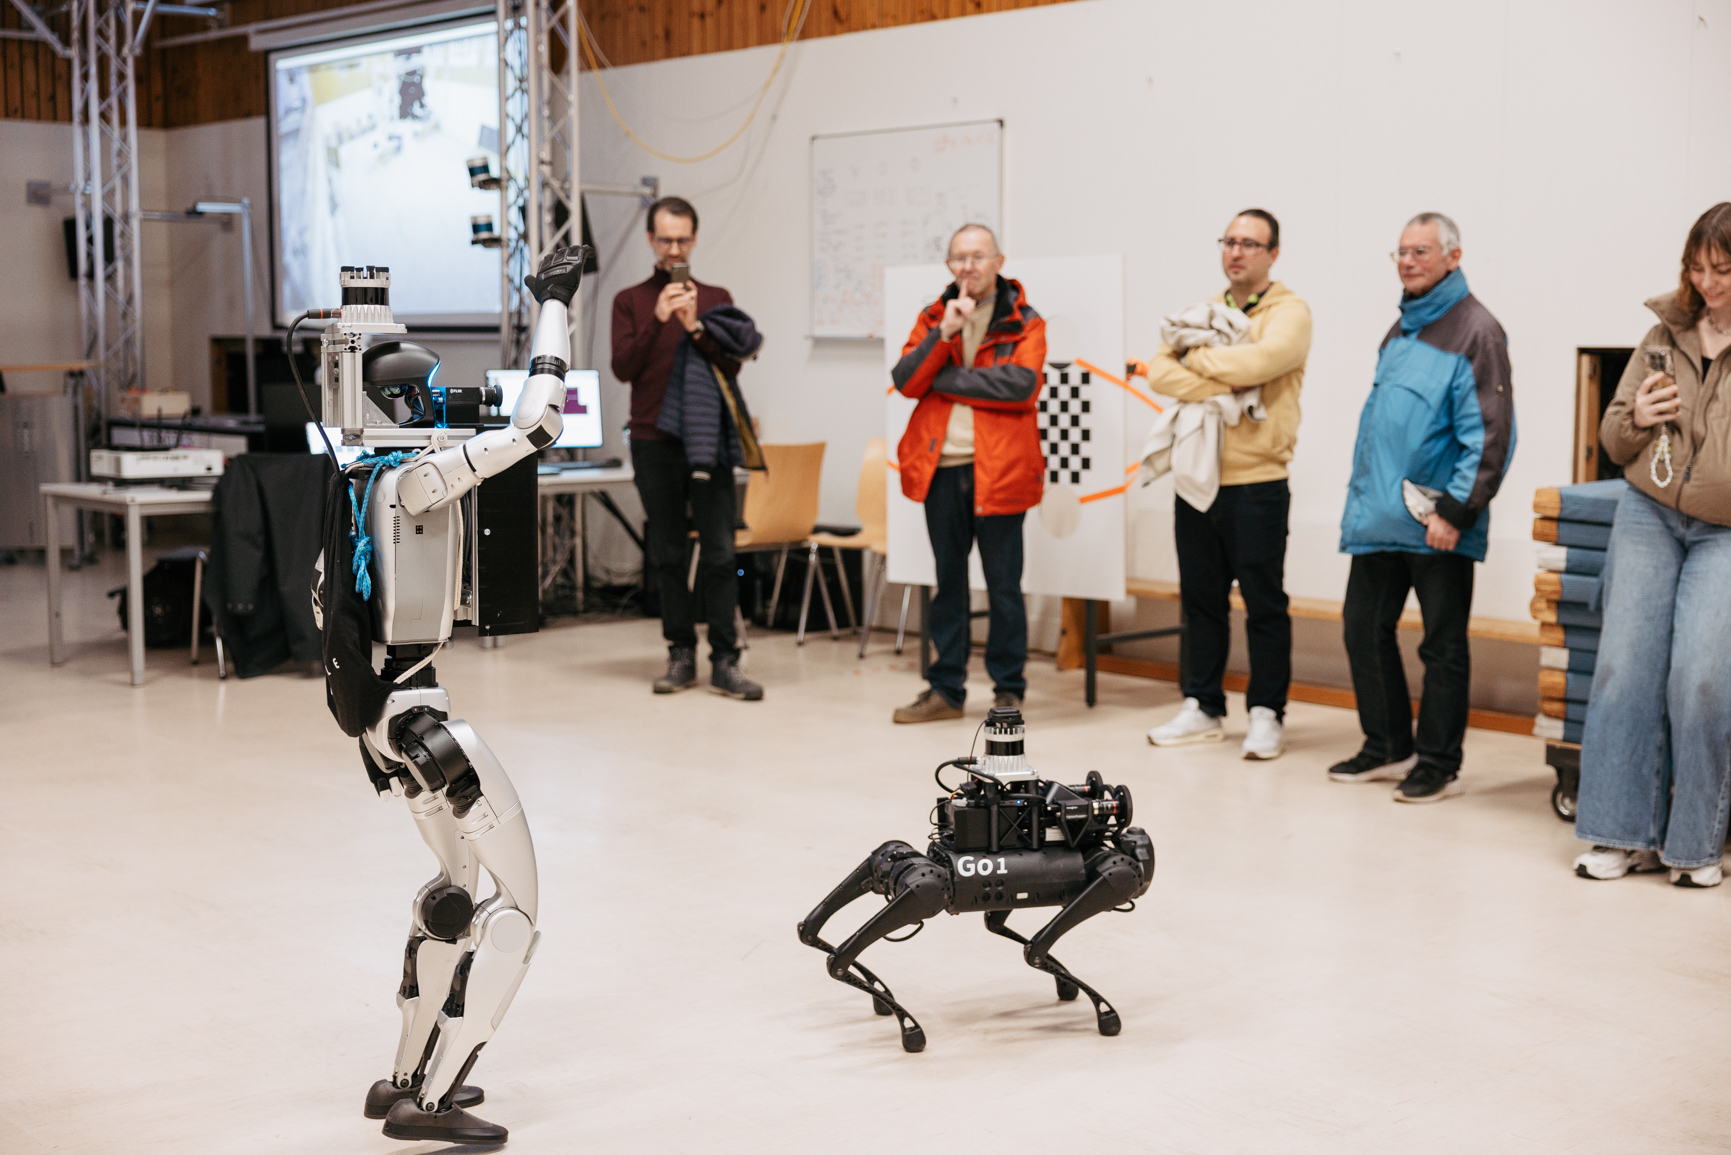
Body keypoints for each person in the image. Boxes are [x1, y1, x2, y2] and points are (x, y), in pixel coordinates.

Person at [1574, 202, 1731, 887]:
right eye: (1697, 268)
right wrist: (1637, 415)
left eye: (1722, 270)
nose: (1707, 283)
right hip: (1648, 513)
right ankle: (1618, 832)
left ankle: (1695, 846)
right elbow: (1613, 440)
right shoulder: (1662, 333)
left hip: (1724, 532)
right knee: (1622, 670)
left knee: (1700, 679)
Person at [1332, 212, 1515, 802]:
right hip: (1381, 518)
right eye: (1402, 252)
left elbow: (1490, 434)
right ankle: (1388, 745)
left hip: (1437, 522)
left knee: (1442, 646)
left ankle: (1437, 763)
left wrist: (1455, 513)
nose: (1408, 262)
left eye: (1422, 252)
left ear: (1453, 257)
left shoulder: (1477, 331)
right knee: (1363, 628)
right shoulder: (1401, 329)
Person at [1139, 209, 1312, 759]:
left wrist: (1200, 361)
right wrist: (1224, 376)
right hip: (1198, 476)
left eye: (1250, 244)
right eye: (1229, 241)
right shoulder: (1203, 312)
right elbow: (1159, 371)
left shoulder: (1290, 312)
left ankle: (1267, 713)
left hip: (1258, 481)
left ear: (1273, 253)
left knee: (1264, 603)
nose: (1236, 252)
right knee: (1200, 600)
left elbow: (1262, 362)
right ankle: (1203, 705)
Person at [889, 223, 1046, 723]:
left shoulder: (1024, 320)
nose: (968, 267)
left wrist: (946, 378)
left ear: (999, 262)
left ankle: (1008, 691)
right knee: (948, 583)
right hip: (942, 468)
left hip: (1001, 471)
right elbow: (907, 380)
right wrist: (945, 334)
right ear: (948, 265)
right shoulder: (933, 317)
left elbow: (1021, 386)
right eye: (959, 257)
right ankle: (946, 690)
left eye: (978, 257)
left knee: (1004, 587)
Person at [611, 196, 762, 701]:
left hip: (708, 440)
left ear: (694, 240)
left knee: (720, 552)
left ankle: (725, 661)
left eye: (682, 240)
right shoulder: (630, 300)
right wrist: (658, 318)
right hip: (652, 441)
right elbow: (623, 368)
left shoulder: (716, 297)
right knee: (669, 554)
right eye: (665, 239)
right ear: (650, 240)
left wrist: (695, 324)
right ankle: (680, 654)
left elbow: (733, 366)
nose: (673, 249)